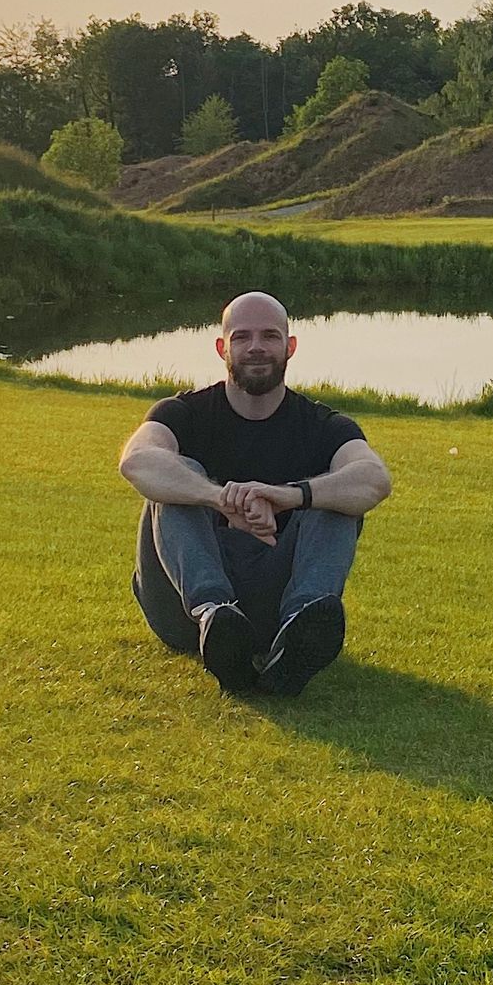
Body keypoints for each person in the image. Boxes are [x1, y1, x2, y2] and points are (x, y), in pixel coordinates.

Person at [117, 290, 392, 696]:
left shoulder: (322, 425)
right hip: (181, 609)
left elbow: (373, 479)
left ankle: (303, 622)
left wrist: (290, 495)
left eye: (270, 336)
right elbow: (136, 460)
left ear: (290, 346)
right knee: (175, 474)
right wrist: (218, 498)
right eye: (242, 337)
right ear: (221, 347)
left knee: (336, 490)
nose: (256, 347)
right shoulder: (184, 413)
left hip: (273, 607)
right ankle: (215, 613)